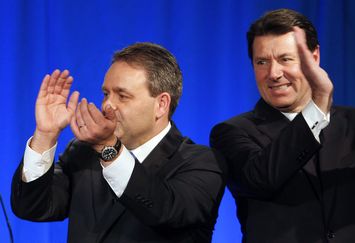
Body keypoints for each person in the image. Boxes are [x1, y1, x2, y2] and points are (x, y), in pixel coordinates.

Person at [210, 8, 355, 243]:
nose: (273, 73)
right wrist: (318, 104)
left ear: (314, 57)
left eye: (285, 59)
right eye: (262, 62)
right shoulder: (231, 132)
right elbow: (261, 179)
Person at [11, 42, 226, 243]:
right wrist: (45, 135)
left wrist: (109, 149)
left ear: (161, 104)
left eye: (122, 96)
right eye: (106, 94)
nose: (107, 105)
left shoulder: (202, 162)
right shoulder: (83, 153)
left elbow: (164, 211)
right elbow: (32, 208)